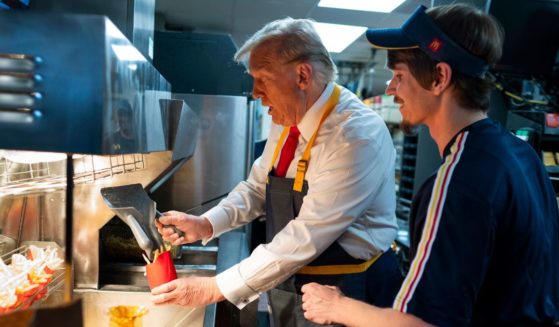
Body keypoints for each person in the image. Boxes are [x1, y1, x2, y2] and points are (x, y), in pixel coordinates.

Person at [302, 4, 559, 326]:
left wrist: (336, 306)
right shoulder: (522, 156)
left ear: (439, 77)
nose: (390, 88)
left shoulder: (457, 180)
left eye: (399, 76)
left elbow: (421, 323)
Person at [151, 17, 403, 325]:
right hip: (291, 279)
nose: (255, 92)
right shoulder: (289, 119)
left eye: (264, 78)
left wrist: (215, 288)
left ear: (302, 75)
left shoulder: (355, 135)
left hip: (347, 288)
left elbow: (307, 233)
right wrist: (206, 224)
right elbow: (257, 188)